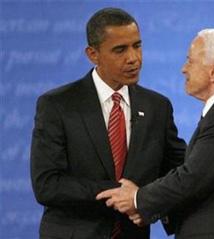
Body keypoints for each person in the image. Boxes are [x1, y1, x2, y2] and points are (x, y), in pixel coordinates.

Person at [97, 29, 214, 239]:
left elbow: (192, 178)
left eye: (190, 61)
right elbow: (203, 180)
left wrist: (138, 199)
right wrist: (151, 207)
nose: (184, 69)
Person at [30, 7, 186, 239]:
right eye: (120, 50)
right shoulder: (58, 105)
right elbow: (47, 185)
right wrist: (121, 194)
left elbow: (178, 172)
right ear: (93, 54)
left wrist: (147, 203)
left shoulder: (157, 107)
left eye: (137, 45)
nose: (133, 58)